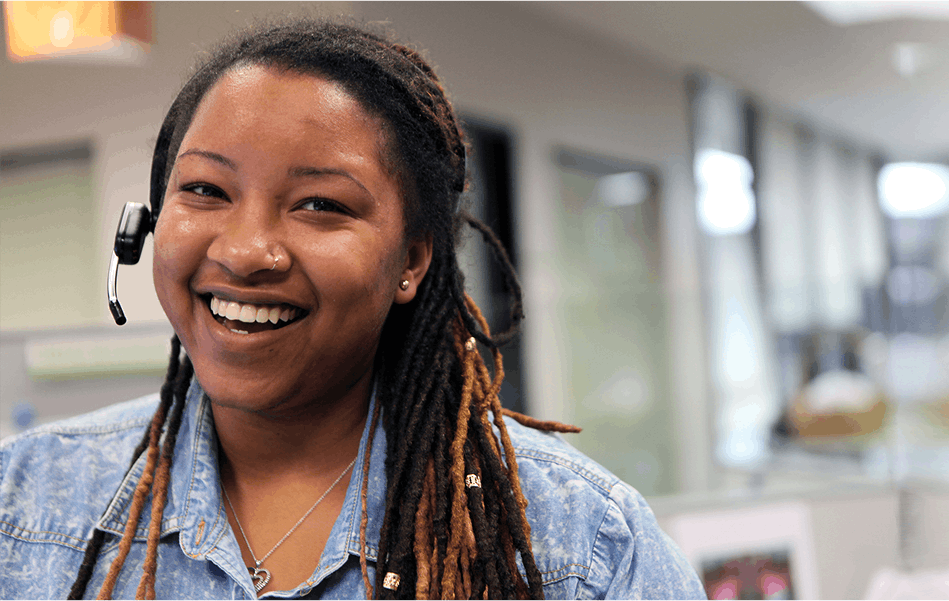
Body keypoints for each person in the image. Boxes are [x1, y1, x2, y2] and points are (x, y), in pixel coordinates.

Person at [0, 17, 706, 601]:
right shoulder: (21, 499)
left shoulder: (583, 547)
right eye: (207, 190)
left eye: (320, 204)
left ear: (411, 261)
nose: (245, 251)